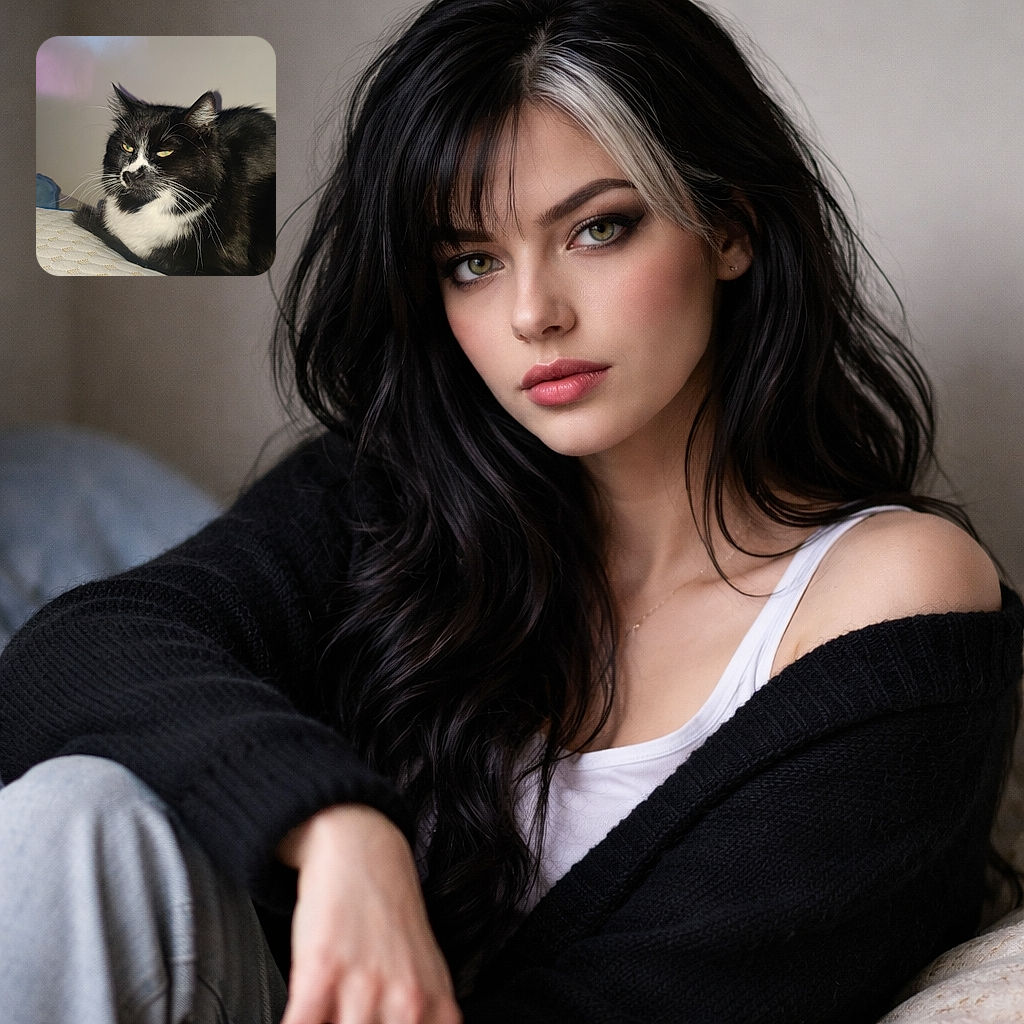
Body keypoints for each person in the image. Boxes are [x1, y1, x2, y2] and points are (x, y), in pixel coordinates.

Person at [1, 0, 1021, 1021]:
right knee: (76, 813)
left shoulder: (887, 595)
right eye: (471, 262)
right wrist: (337, 825)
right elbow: (74, 651)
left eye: (597, 228)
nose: (533, 312)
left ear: (730, 228)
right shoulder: (393, 498)